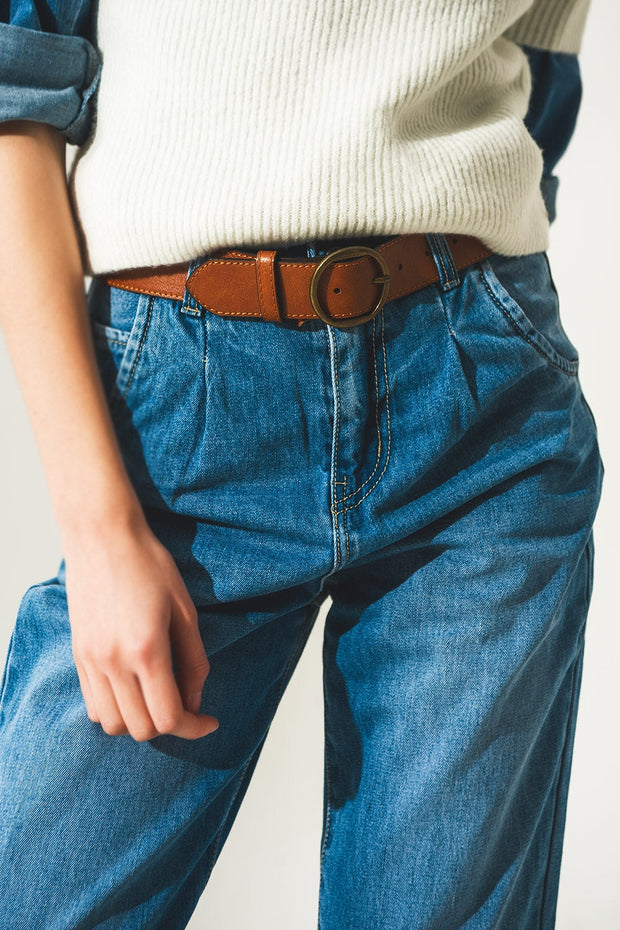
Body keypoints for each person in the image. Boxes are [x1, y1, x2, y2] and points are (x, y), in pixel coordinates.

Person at [0, 2, 603, 928]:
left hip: (482, 410)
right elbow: (13, 100)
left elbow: (538, 82)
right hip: (184, 411)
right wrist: (100, 527)